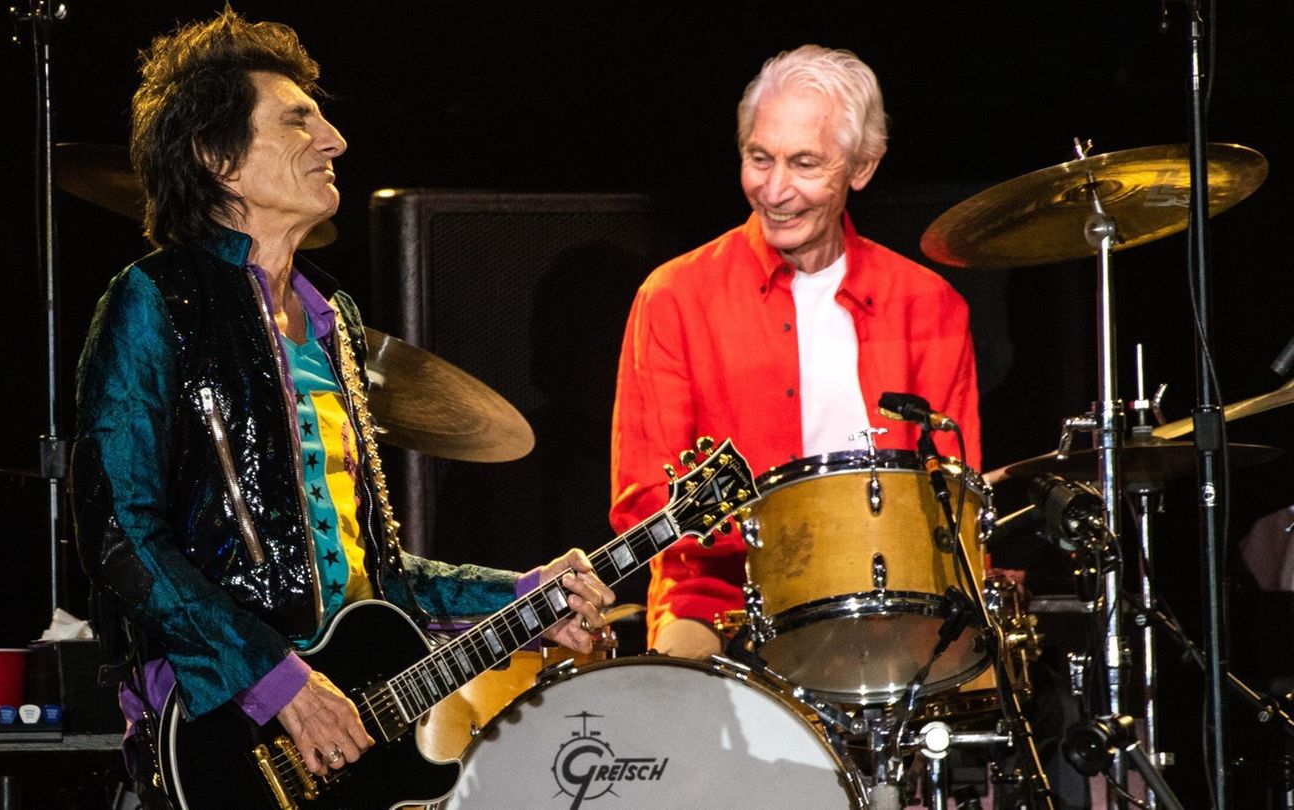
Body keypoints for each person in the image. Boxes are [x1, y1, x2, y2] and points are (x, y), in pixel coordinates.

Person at [69, 8, 613, 799]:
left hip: (342, 734)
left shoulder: (334, 320)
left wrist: (523, 596)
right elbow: (121, 534)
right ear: (218, 157)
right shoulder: (157, 297)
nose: (335, 140)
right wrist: (277, 681)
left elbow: (375, 580)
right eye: (298, 121)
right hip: (219, 732)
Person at [610, 45, 981, 660]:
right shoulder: (674, 296)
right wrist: (782, 537)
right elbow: (641, 502)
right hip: (717, 600)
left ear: (861, 168)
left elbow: (954, 497)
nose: (775, 190)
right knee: (674, 690)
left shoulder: (929, 305)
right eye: (760, 159)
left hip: (889, 602)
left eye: (805, 164)